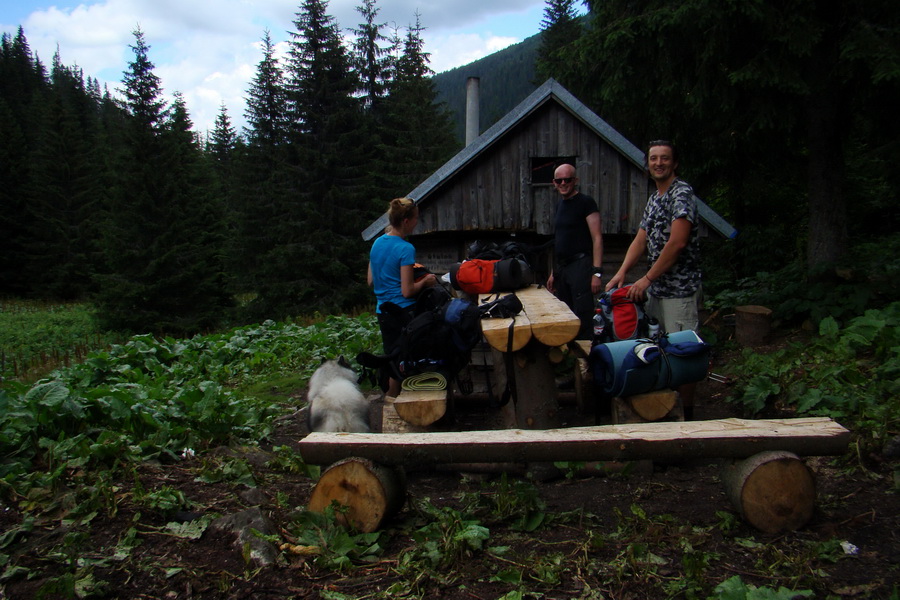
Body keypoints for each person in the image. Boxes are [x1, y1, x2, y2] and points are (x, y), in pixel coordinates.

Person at [605, 140, 702, 418]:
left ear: (675, 163)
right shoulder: (655, 197)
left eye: (665, 158)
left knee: (685, 353)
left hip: (680, 291)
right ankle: (667, 412)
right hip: (658, 292)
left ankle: (690, 419)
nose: (658, 163)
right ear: (648, 163)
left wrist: (645, 279)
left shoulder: (681, 193)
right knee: (660, 349)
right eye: (653, 158)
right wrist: (622, 271)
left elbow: (677, 243)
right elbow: (641, 237)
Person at [367, 197, 437, 397]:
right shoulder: (405, 248)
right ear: (406, 221)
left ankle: (390, 404)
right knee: (409, 359)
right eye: (416, 219)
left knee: (393, 359)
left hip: (383, 311)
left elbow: (370, 280)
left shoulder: (377, 243)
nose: (417, 222)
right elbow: (407, 291)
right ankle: (412, 399)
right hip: (404, 312)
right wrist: (425, 282)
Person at [546, 163, 604, 339]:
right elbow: (560, 241)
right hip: (563, 268)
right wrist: (553, 273)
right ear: (554, 183)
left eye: (567, 179)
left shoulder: (586, 203)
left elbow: (597, 238)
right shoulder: (559, 206)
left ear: (575, 180)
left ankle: (586, 358)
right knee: (565, 313)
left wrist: (597, 273)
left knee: (582, 314)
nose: (563, 183)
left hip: (581, 265)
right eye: (559, 180)